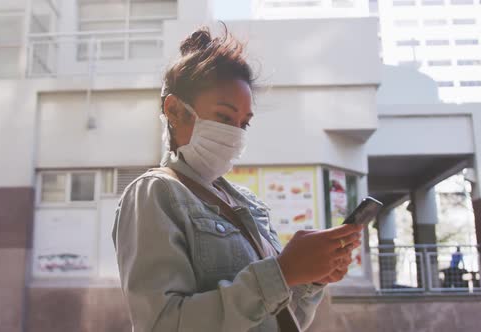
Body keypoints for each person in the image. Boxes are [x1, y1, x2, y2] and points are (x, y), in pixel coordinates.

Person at [112, 25, 363, 332]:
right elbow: (162, 324)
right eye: (224, 117)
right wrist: (281, 273)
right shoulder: (155, 193)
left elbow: (281, 318)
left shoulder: (249, 204)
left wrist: (310, 279)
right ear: (175, 111)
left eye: (243, 123)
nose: (235, 134)